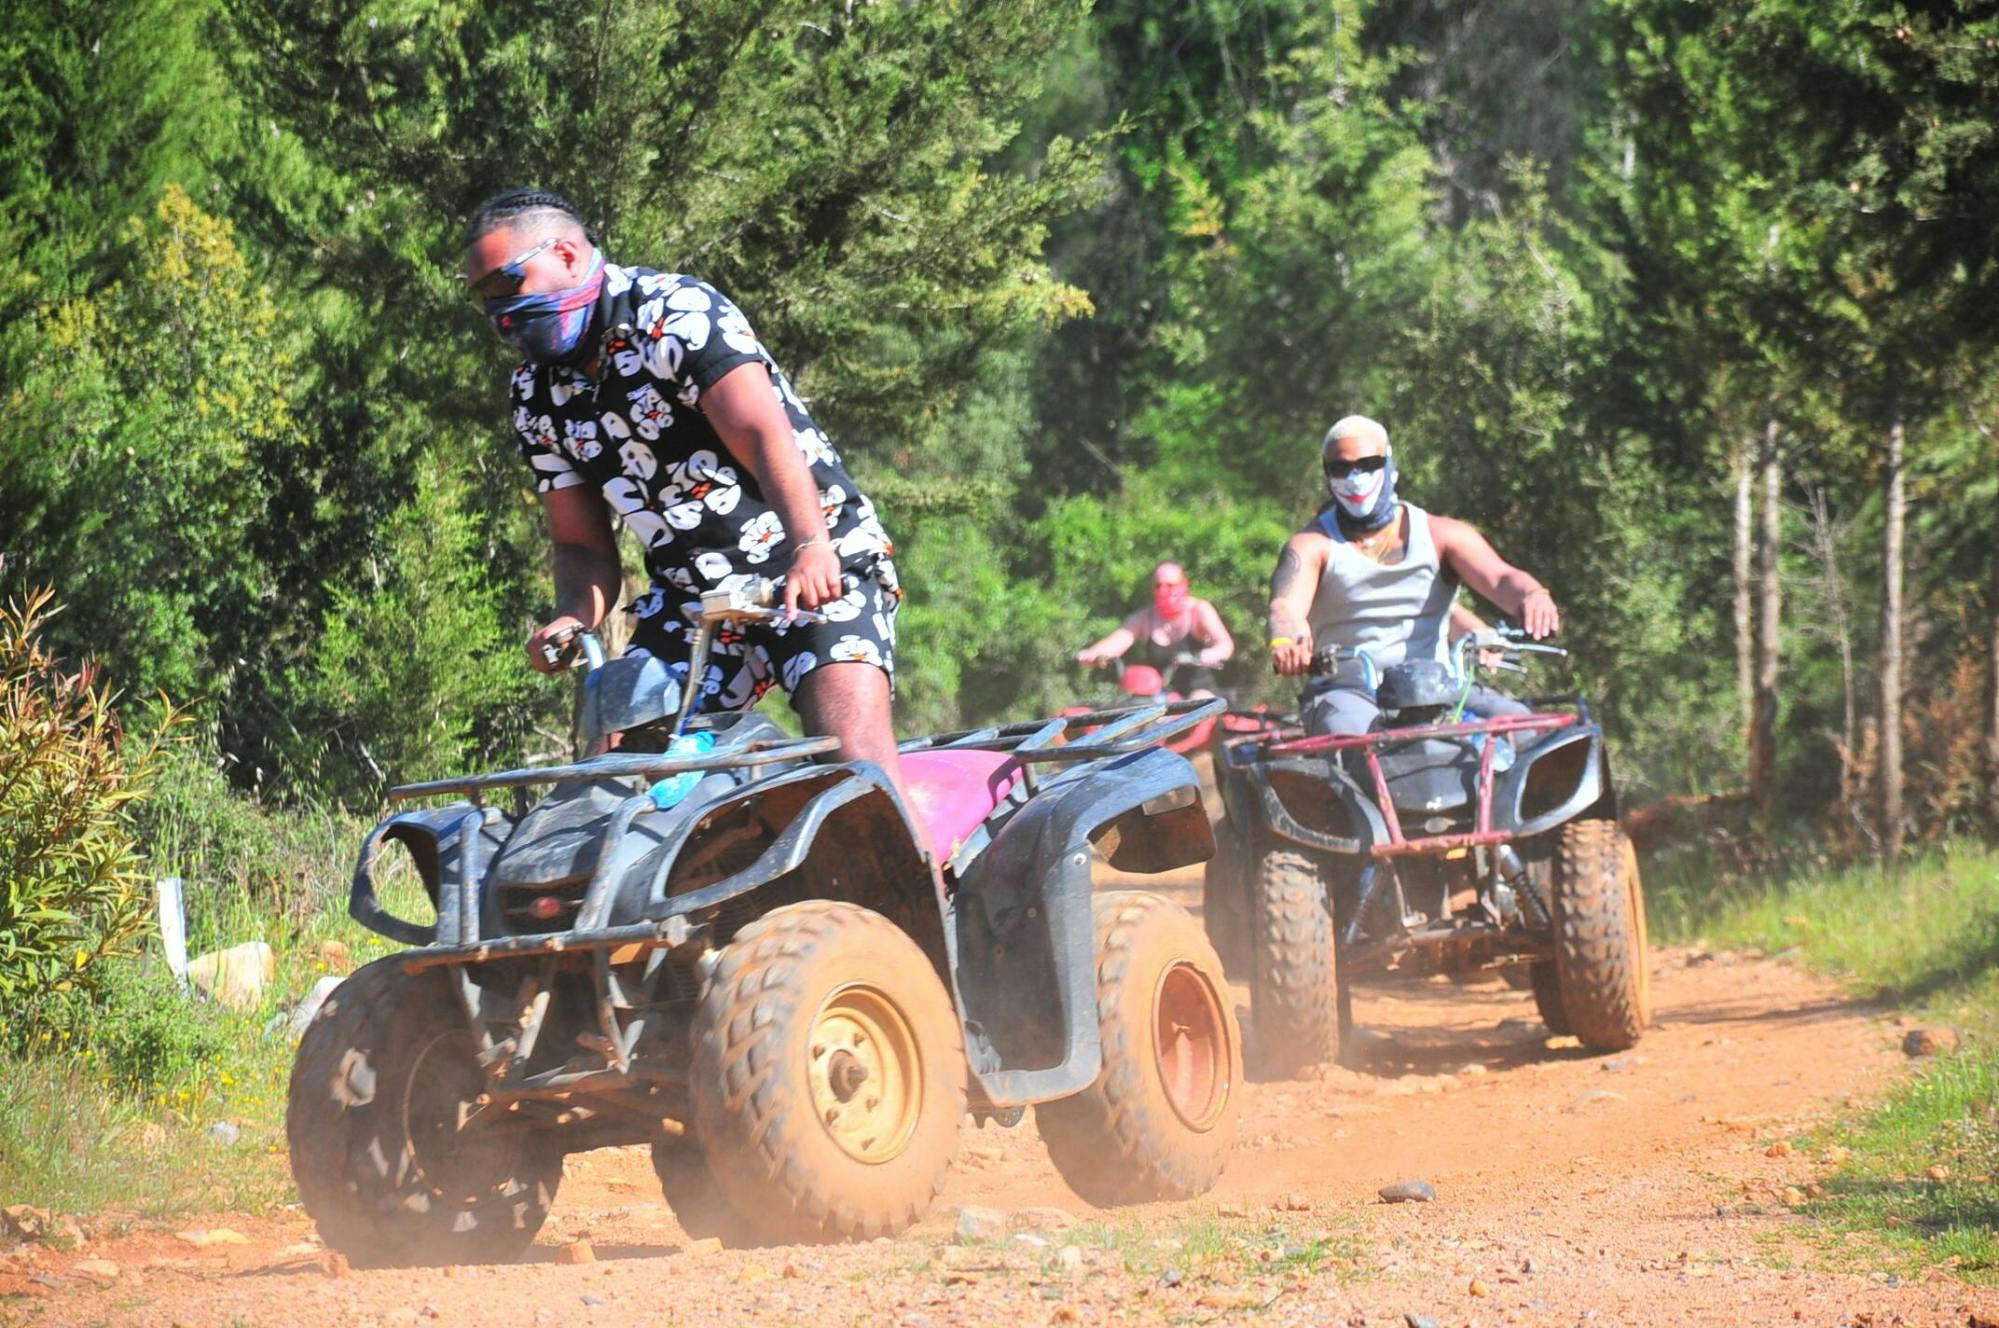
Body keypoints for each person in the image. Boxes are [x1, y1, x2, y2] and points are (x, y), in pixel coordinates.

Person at [462, 188, 904, 790]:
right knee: (611, 772)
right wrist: (571, 616)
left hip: (816, 564)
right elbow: (582, 547)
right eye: (482, 297)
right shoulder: (535, 396)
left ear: (566, 254)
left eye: (506, 284)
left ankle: (915, 849)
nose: (499, 312)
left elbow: (764, 437)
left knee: (854, 762)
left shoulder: (676, 314)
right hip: (693, 603)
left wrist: (811, 546)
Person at [1266, 415, 1559, 735]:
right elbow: (1285, 606)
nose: (1354, 477)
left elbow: (1501, 578)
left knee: (1524, 727)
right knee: (1353, 741)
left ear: (1389, 464)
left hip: (1438, 686)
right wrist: (1285, 640)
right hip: (1348, 691)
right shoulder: (1312, 545)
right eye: (1341, 469)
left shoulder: (1442, 534)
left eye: (1368, 464)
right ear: (1327, 474)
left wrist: (1533, 596)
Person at [1075, 562, 1235, 698]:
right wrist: (1093, 654)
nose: (1164, 591)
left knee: (1199, 700)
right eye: (1158, 586)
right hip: (1161, 695)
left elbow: (1225, 645)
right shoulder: (1145, 618)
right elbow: (1118, 640)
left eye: (1170, 585)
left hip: (1200, 690)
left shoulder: (1199, 610)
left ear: (1183, 584)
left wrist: (1210, 654)